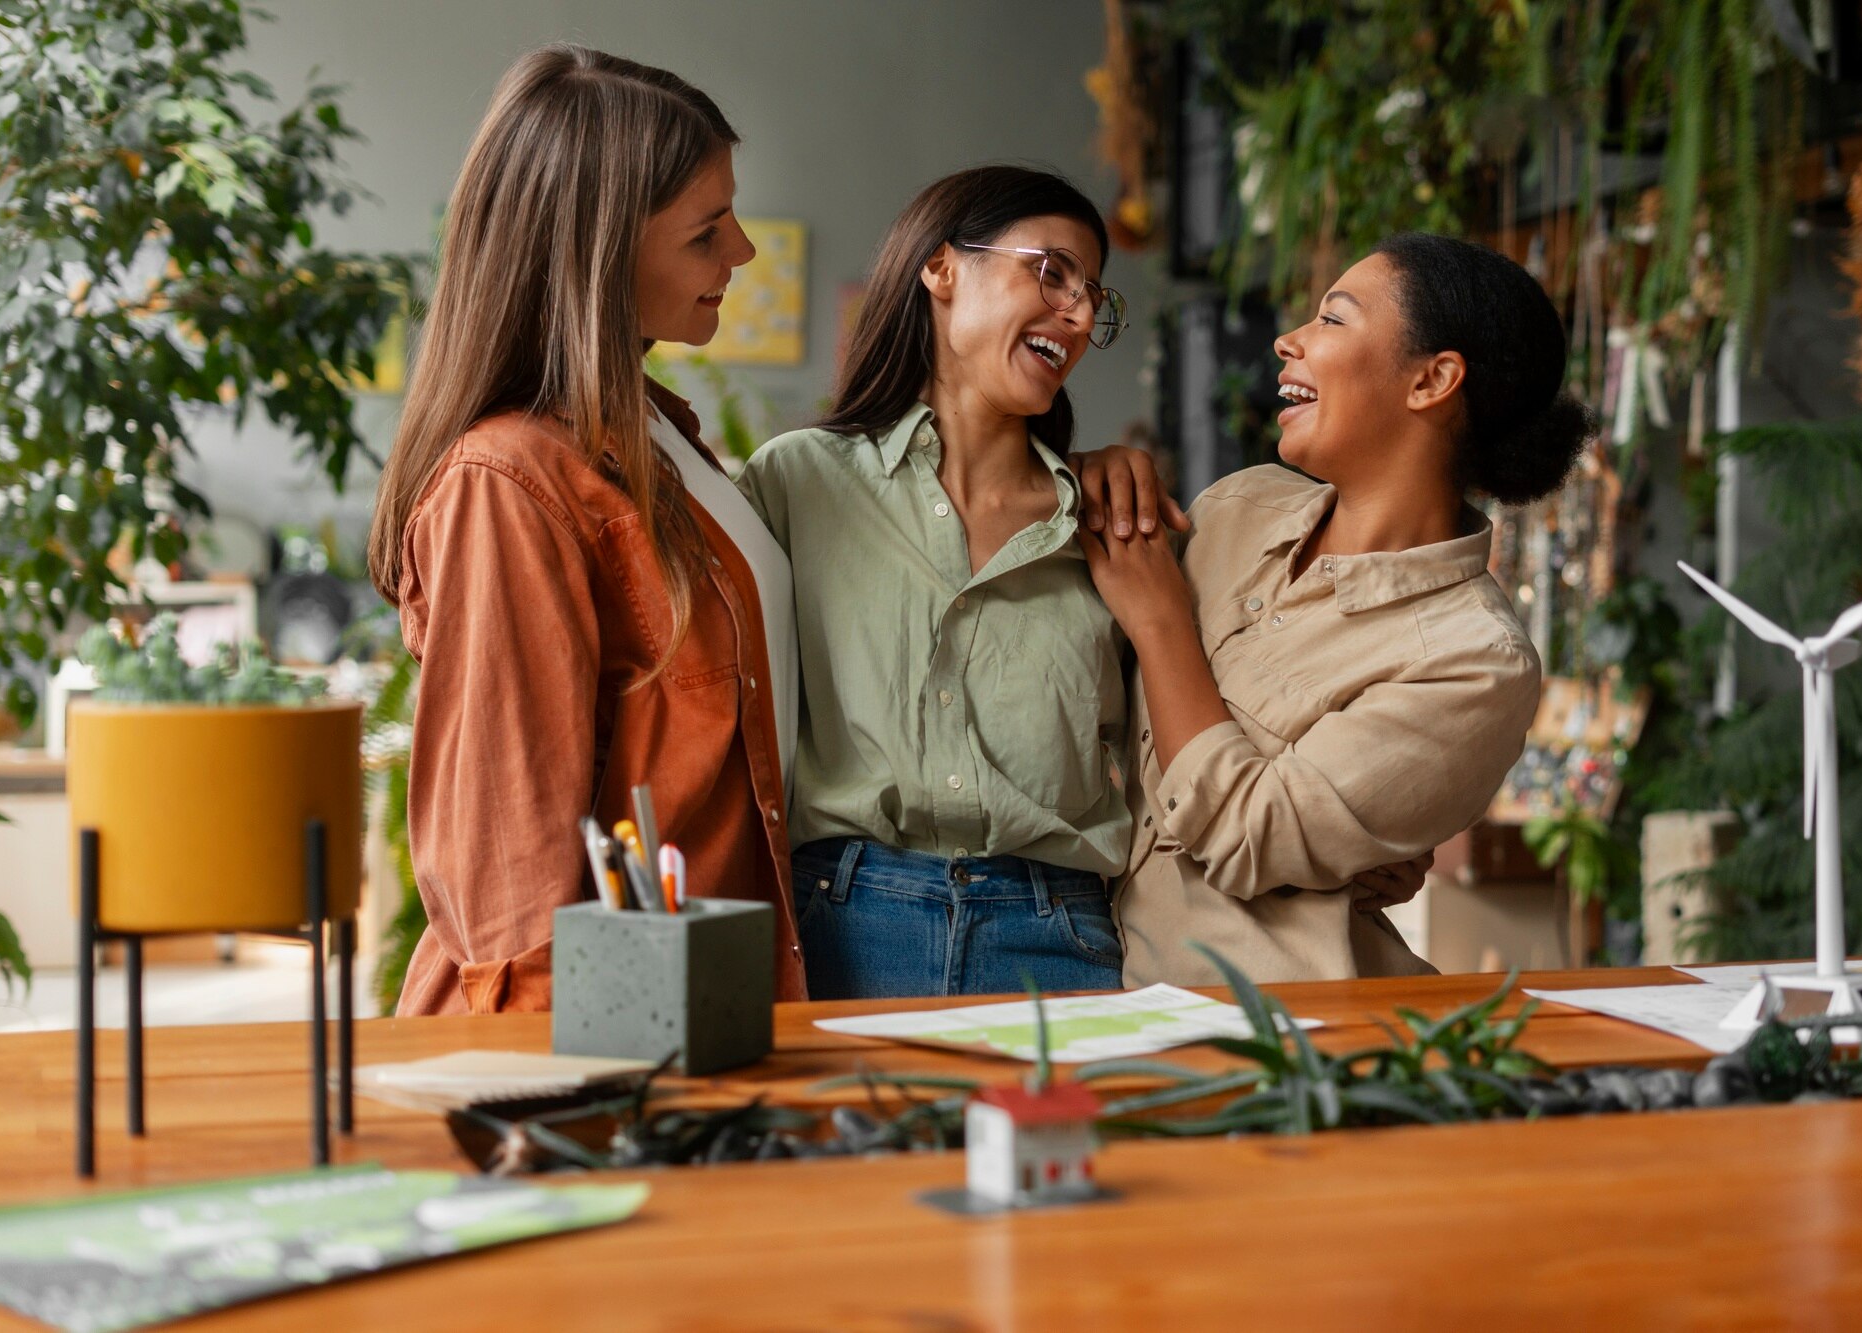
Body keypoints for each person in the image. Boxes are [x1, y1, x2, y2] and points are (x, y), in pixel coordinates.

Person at [367, 45, 806, 1013]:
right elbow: (510, 888)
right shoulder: (508, 486)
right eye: (706, 232)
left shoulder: (658, 435)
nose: (741, 252)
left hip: (705, 1009)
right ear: (600, 250)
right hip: (606, 1041)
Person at [1082, 232, 1594, 986]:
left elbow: (1249, 832)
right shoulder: (1236, 507)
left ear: (1432, 380)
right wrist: (1089, 474)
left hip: (1262, 1040)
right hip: (1071, 969)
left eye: (1333, 319)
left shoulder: (1474, 661)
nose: (1288, 340)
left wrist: (1161, 624)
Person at [738, 166, 1157, 999]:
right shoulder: (796, 485)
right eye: (1051, 272)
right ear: (941, 268)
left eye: (1091, 297)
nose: (1077, 315)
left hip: (1056, 936)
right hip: (843, 928)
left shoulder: (1106, 521)